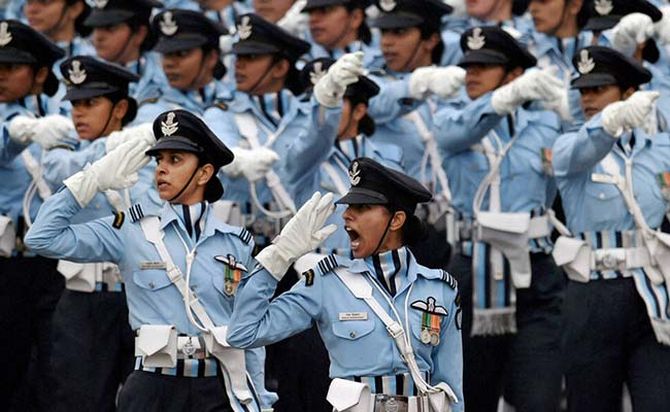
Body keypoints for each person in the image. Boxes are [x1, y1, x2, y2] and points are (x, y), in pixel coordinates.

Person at [25, 109, 275, 412]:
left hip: (216, 388)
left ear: (205, 173)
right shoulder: (130, 231)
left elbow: (250, 333)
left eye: (175, 160)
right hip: (153, 388)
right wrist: (90, 180)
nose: (161, 170)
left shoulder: (236, 242)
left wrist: (257, 398)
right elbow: (41, 237)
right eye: (159, 160)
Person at [227, 157, 463, 412]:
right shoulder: (327, 283)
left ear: (396, 220)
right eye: (349, 206)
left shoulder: (439, 289)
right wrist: (279, 255)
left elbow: (451, 390)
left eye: (361, 207)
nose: (347, 215)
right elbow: (243, 333)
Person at [433, 26, 567, 411]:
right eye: (469, 65)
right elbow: (454, 134)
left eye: (485, 66)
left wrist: (564, 106)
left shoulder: (544, 123)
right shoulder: (452, 117)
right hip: (471, 270)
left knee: (538, 397)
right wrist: (501, 99)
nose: (472, 73)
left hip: (535, 270)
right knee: (471, 394)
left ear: (514, 75)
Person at [552, 45, 670, 412]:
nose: (588, 99)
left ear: (628, 93)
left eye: (599, 90)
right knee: (591, 403)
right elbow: (581, 152)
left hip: (650, 291)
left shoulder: (661, 148)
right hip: (592, 296)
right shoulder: (568, 145)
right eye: (583, 91)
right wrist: (608, 120)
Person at [41, 55, 152, 412]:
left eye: (90, 103)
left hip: (137, 293)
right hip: (83, 297)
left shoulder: (148, 158)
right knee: (78, 399)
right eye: (74, 104)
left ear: (120, 107)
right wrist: (111, 149)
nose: (78, 113)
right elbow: (62, 170)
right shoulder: (62, 153)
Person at [0, 19, 70, 411]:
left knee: (58, 372)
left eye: (11, 68)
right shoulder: (11, 122)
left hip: (58, 261)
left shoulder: (66, 114)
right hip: (8, 261)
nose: (1, 76)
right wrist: (18, 132)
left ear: (41, 73)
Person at [366, 0, 463, 268]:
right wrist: (419, 83)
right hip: (400, 226)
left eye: (399, 33)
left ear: (430, 39)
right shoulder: (375, 84)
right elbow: (374, 103)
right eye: (384, 33)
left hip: (453, 225)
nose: (387, 42)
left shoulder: (453, 83)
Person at [203, 12, 311, 250]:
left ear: (281, 66)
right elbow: (221, 151)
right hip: (242, 248)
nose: (239, 65)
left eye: (251, 57)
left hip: (302, 246)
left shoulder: (306, 114)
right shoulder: (221, 113)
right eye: (238, 56)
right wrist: (239, 160)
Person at [135, 8, 228, 123]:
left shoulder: (236, 101)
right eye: (166, 55)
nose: (169, 63)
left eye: (181, 54)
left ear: (211, 58)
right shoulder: (153, 114)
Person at [84, 0, 166, 104]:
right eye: (96, 27)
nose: (98, 37)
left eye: (110, 28)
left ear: (139, 34)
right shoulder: (82, 70)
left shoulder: (164, 76)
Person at [301, 0, 384, 69]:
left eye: (325, 10)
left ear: (355, 17)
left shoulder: (383, 61)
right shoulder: (300, 65)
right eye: (310, 13)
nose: (313, 19)